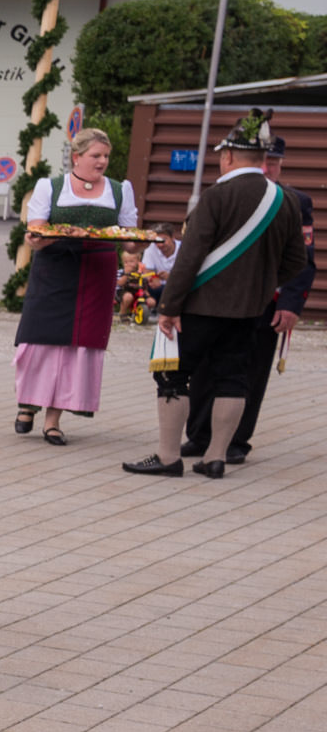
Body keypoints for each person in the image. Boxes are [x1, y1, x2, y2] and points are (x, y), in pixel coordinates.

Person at [126, 108, 307, 480]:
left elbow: (190, 257)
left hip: (201, 306)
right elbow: (295, 262)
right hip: (250, 311)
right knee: (233, 378)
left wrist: (169, 306)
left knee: (172, 375)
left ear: (228, 156)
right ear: (263, 157)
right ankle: (215, 457)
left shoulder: (217, 196)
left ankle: (168, 457)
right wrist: (260, 286)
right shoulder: (285, 200)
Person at [183, 132, 315, 464]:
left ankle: (236, 440)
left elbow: (302, 260)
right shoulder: (223, 194)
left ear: (281, 165)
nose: (267, 168)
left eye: (274, 163)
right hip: (214, 299)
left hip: (264, 303)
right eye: (264, 161)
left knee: (249, 372)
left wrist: (290, 304)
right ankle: (199, 436)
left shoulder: (293, 201)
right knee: (203, 370)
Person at [11, 127, 138, 445]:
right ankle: (28, 403)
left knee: (78, 345)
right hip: (54, 269)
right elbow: (36, 234)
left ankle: (53, 421)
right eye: (96, 155)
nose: (102, 161)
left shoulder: (120, 190)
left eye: (106, 156)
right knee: (39, 340)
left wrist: (143, 242)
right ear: (77, 157)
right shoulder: (50, 187)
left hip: (97, 273)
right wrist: (48, 236)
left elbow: (129, 239)